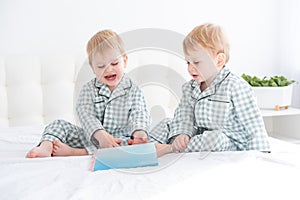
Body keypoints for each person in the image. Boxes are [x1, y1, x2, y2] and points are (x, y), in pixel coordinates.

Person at [26, 30, 150, 158]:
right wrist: (100, 134)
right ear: (93, 67)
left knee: (135, 145)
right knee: (58, 124)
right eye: (101, 66)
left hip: (119, 139)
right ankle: (45, 147)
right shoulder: (89, 89)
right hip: (91, 136)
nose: (108, 69)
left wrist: (139, 133)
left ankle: (77, 152)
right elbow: (85, 114)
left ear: (124, 61)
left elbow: (139, 113)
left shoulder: (133, 89)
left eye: (114, 63)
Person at [150, 23, 271, 155]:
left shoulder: (235, 86)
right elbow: (185, 115)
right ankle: (145, 145)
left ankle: (169, 149)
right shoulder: (190, 88)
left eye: (196, 62)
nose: (190, 68)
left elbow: (253, 123)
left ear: (219, 61)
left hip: (227, 140)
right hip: (198, 134)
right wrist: (182, 133)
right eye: (188, 62)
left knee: (215, 139)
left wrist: (260, 152)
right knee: (167, 123)